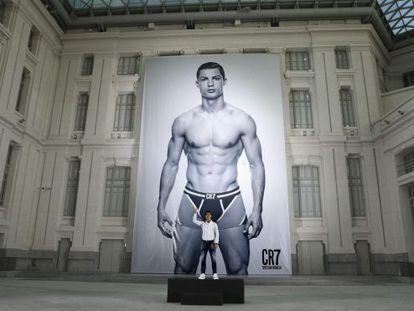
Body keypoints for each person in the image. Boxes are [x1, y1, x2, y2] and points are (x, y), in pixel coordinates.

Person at [157, 61, 265, 275]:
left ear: (224, 82)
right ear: (197, 84)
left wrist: (258, 209)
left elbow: (256, 165)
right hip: (192, 200)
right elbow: (171, 164)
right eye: (204, 79)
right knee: (183, 267)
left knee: (238, 267)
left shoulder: (242, 120)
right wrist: (160, 206)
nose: (210, 83)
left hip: (230, 200)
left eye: (215, 78)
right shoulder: (184, 121)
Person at [192, 210, 219, 280]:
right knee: (203, 259)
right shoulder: (202, 224)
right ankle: (202, 274)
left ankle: (215, 274)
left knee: (213, 259)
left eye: (209, 214)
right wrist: (195, 213)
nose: (208, 216)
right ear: (205, 216)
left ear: (211, 216)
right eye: (206, 214)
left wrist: (216, 242)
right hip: (204, 242)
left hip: (212, 243)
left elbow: (217, 233)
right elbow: (194, 221)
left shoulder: (214, 224)